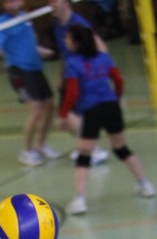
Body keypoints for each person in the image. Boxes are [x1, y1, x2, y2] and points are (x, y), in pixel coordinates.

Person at [59, 24, 155, 215]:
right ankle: (145, 185)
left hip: (92, 110)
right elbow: (118, 80)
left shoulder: (73, 63)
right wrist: (116, 97)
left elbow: (72, 92)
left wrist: (63, 115)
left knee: (84, 155)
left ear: (76, 42)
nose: (65, 40)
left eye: (68, 38)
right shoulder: (104, 58)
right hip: (111, 107)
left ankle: (80, 200)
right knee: (121, 148)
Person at [0, 0, 61, 166]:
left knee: (49, 106)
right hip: (19, 71)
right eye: (6, 2)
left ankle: (40, 145)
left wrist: (42, 51)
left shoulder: (25, 17)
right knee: (36, 109)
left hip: (35, 68)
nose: (10, 4)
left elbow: (28, 42)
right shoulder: (2, 22)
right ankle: (26, 151)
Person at [50, 0, 109, 165]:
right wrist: (61, 77)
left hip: (83, 78)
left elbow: (102, 48)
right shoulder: (57, 27)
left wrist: (94, 72)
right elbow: (64, 54)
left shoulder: (78, 24)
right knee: (67, 121)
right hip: (70, 77)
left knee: (67, 117)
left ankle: (94, 150)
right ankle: (88, 147)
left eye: (54, 1)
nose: (51, 4)